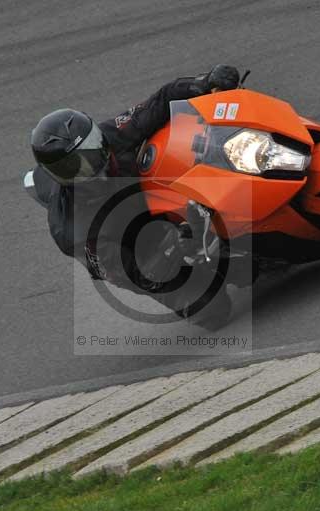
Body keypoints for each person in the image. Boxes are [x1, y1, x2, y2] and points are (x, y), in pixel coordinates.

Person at [29, 65, 241, 329]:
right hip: (144, 249)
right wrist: (177, 242)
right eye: (74, 166)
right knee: (213, 310)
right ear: (58, 176)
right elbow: (136, 274)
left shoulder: (109, 137)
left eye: (91, 150)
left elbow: (159, 102)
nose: (91, 165)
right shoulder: (75, 232)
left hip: (155, 201)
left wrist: (204, 83)